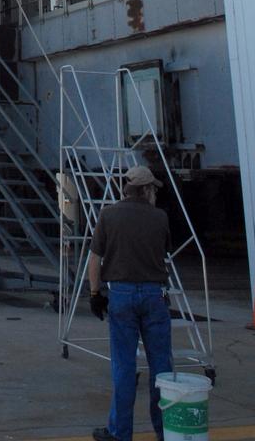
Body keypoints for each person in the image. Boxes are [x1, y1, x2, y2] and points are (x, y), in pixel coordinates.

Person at [87, 164, 173, 441]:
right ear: (147, 189)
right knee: (161, 365)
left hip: (121, 295)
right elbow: (165, 251)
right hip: (154, 294)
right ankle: (166, 430)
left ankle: (119, 432)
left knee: (124, 365)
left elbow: (94, 259)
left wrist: (95, 293)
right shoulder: (159, 218)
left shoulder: (108, 215)